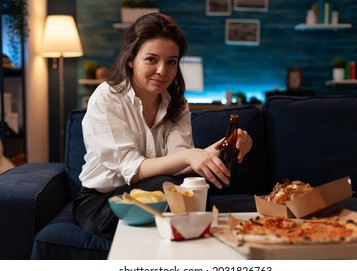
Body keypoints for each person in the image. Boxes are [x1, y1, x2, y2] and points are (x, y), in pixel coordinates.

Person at [73, 13, 252, 239]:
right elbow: (133, 168)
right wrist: (190, 156)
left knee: (191, 189)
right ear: (131, 59)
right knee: (167, 187)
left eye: (171, 62)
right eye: (151, 59)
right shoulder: (107, 98)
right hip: (103, 203)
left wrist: (218, 150)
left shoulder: (177, 103)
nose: (162, 71)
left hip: (153, 190)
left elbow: (178, 160)